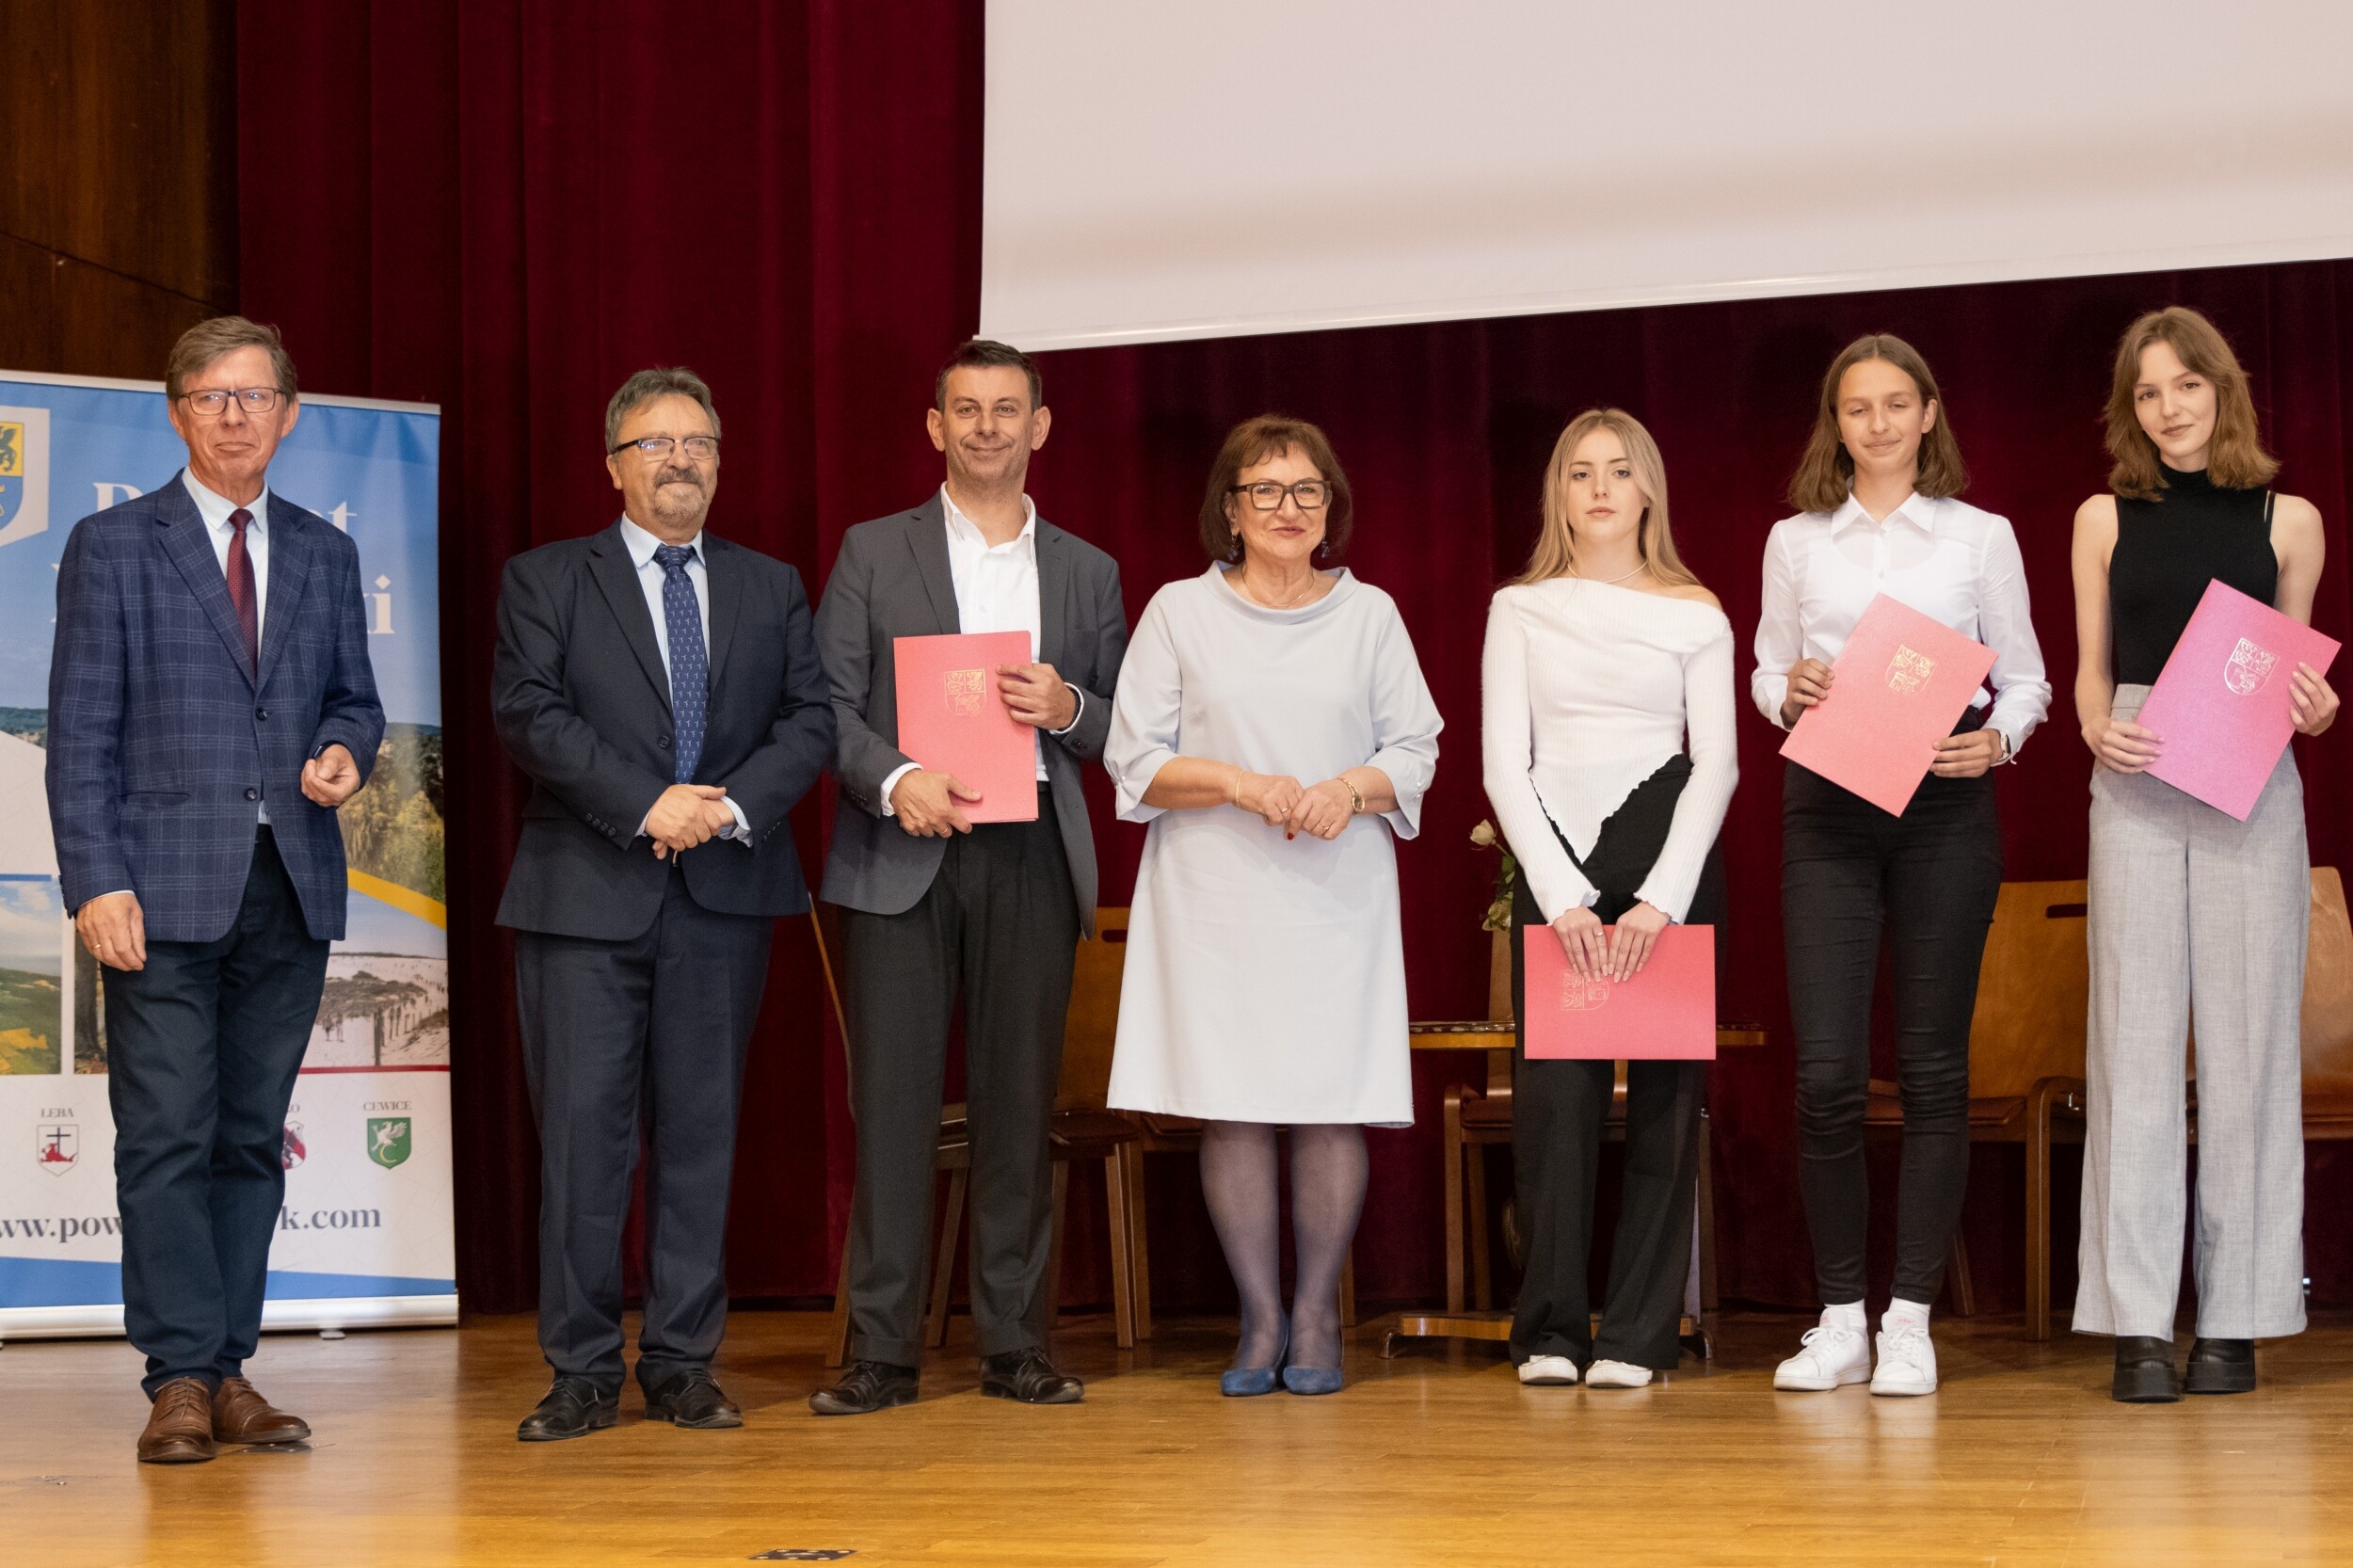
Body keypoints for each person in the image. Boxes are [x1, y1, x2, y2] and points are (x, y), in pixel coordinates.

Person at [47, 315, 384, 1464]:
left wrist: (344, 751)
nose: (234, 414)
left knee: (248, 1138)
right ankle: (179, 1376)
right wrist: (94, 880)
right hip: (156, 892)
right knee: (164, 1136)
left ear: (289, 413)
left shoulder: (325, 553)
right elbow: (78, 733)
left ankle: (229, 1367)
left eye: (254, 395)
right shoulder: (112, 544)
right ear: (176, 411)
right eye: (210, 395)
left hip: (288, 884)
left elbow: (355, 699)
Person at [492, 367, 834, 1441]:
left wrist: (724, 809)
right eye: (655, 443)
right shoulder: (548, 578)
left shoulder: (771, 584)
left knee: (700, 1140)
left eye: (698, 442)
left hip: (723, 896)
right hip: (583, 899)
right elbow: (528, 712)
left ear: (719, 462)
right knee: (582, 1147)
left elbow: (812, 719)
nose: (679, 459)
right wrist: (649, 803)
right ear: (613, 466)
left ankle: (684, 1362)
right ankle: (582, 1371)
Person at [809, 340, 1128, 1416]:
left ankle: (1015, 1344)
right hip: (902, 847)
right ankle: (881, 1351)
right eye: (966, 408)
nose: (987, 426)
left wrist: (1070, 707)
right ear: (935, 426)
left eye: (1006, 408)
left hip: (1030, 849)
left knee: (1017, 1107)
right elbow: (826, 704)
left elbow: (1127, 724)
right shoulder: (871, 549)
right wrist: (896, 777)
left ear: (1040, 427)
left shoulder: (1087, 569)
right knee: (893, 1108)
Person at [1106, 414, 1442, 1397]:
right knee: (1236, 1108)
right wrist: (1241, 784)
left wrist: (1348, 788)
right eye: (1265, 490)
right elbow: (1136, 759)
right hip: (1214, 894)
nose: (1287, 508)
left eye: (1306, 490)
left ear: (1330, 508)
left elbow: (1414, 748)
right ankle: (1259, 1317)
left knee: (1330, 1103)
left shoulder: (1370, 614)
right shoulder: (1179, 611)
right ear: (1230, 510)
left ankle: (1316, 1315)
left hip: (1336, 893)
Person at [1753, 333, 2050, 1398]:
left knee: (1932, 1072)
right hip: (1828, 805)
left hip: (1944, 808)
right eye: (1856, 407)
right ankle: (1840, 1318)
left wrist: (1998, 739)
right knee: (1827, 1075)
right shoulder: (1796, 541)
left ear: (1928, 413)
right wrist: (1786, 691)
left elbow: (2026, 677)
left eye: (1894, 404)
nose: (1876, 424)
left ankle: (1910, 1320)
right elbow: (1765, 670)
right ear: (1834, 424)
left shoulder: (1980, 535)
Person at [2069, 307, 2337, 1402]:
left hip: (2249, 773)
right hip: (2134, 763)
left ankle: (2238, 1320)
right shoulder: (2101, 516)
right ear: (2128, 408)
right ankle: (2138, 1325)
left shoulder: (2290, 520)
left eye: (2185, 384)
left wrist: (2317, 709)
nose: (2168, 406)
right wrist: (2095, 725)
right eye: (2147, 391)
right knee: (2131, 1043)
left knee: (2248, 1047)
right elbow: (2090, 670)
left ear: (2222, 390)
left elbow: (2294, 676)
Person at [1481, 408, 1737, 1390]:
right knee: (1555, 1104)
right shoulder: (1519, 607)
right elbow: (1503, 765)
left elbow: (1715, 763)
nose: (1598, 488)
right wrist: (1561, 898)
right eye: (1580, 471)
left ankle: (1637, 1335)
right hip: (1558, 862)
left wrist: (1661, 900)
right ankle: (1549, 1330)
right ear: (1558, 491)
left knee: (1668, 1106)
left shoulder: (1696, 610)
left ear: (1647, 490)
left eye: (1619, 470)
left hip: (1668, 851)